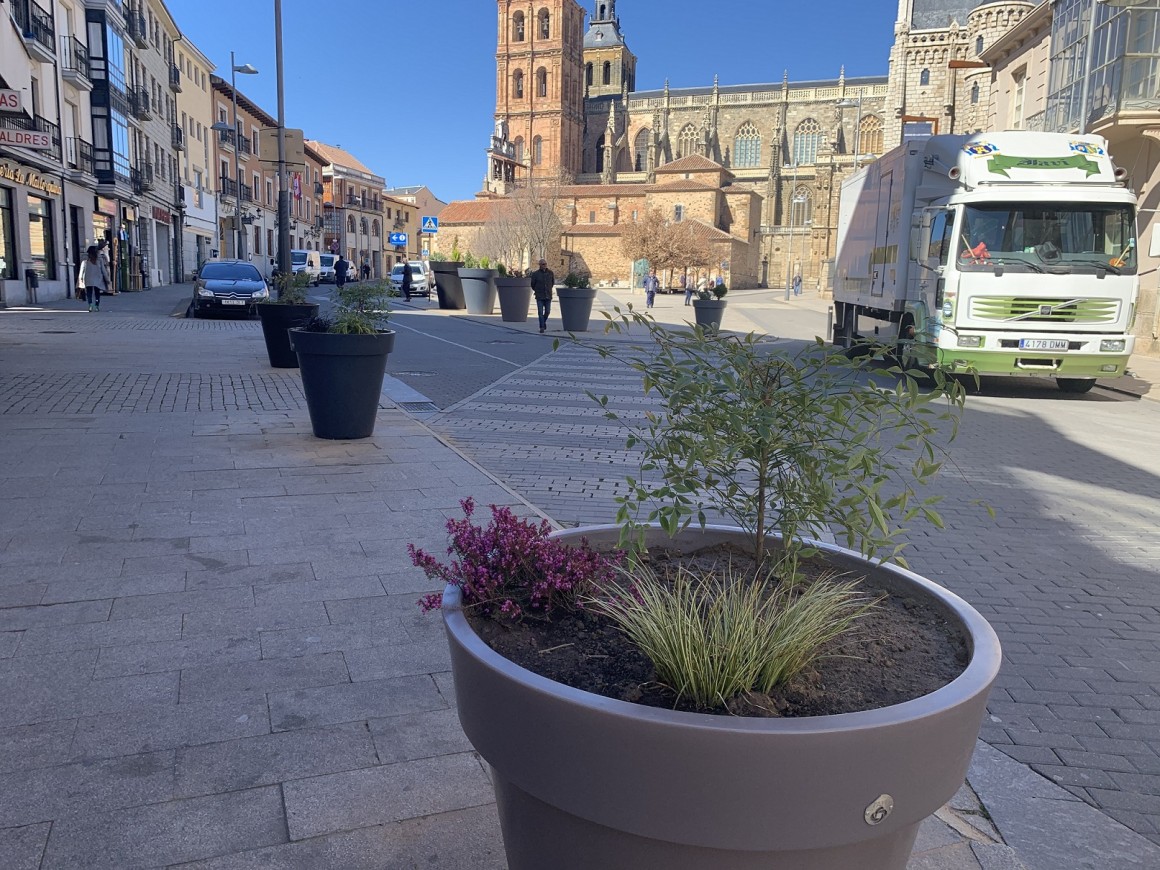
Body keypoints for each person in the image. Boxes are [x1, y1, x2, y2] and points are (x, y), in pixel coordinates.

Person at [79, 245, 110, 312]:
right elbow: (103, 270)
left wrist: (80, 277)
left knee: (89, 293)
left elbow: (82, 269)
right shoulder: (100, 259)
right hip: (98, 278)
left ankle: (90, 305)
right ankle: (96, 306)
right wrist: (107, 279)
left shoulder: (85, 259)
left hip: (88, 278)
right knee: (97, 293)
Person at [530, 258, 555, 333]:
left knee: (547, 311)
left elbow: (552, 283)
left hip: (548, 295)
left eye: (545, 264)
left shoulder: (550, 273)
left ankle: (543, 322)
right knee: (540, 312)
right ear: (540, 265)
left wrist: (548, 289)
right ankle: (542, 327)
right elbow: (532, 285)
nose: (545, 265)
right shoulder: (535, 274)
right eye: (543, 264)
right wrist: (537, 290)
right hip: (540, 296)